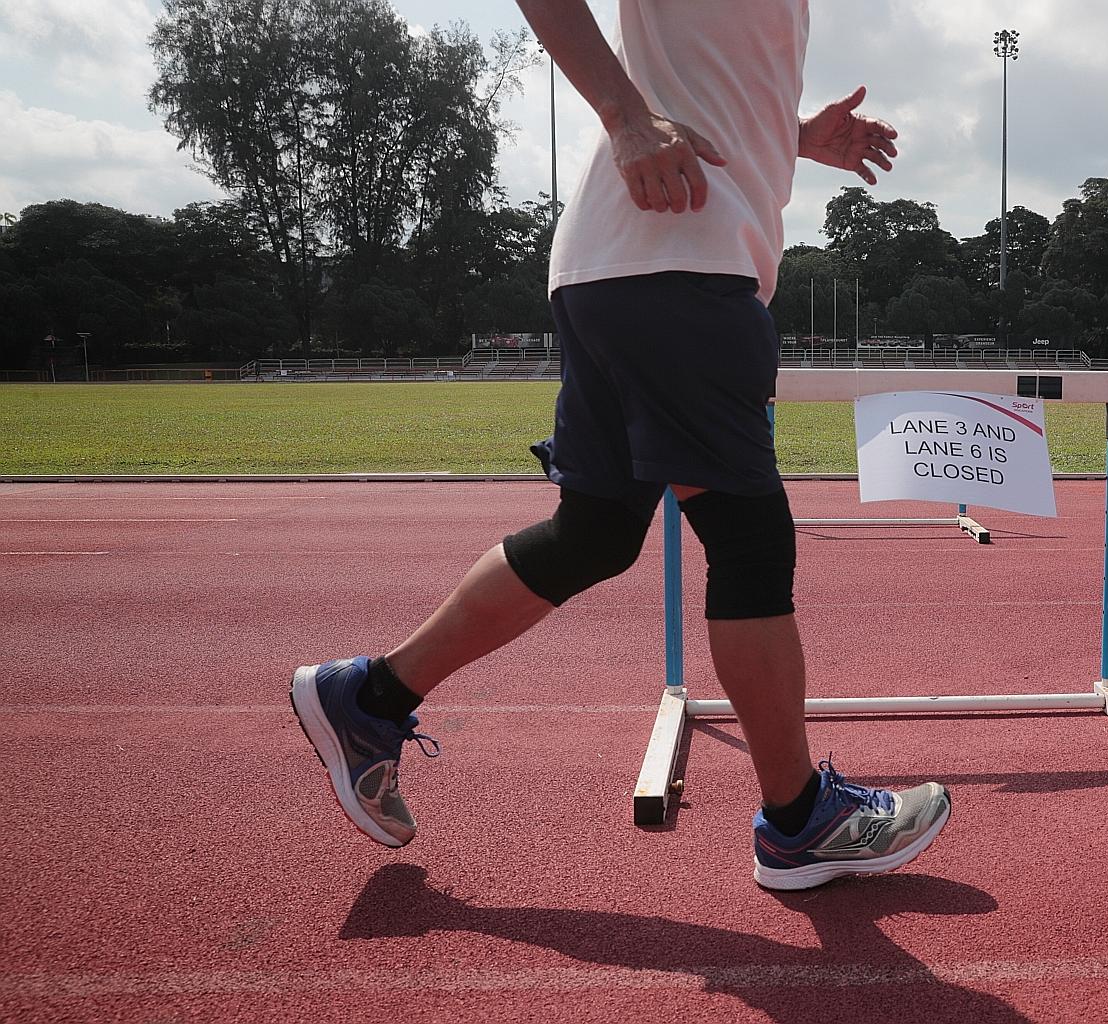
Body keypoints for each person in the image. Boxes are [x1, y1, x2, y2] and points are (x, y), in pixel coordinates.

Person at [289, 0, 951, 892]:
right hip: (680, 264)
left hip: (623, 266)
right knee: (749, 539)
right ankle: (800, 821)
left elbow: (707, 81)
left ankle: (370, 698)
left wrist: (791, 136)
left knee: (594, 534)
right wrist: (626, 116)